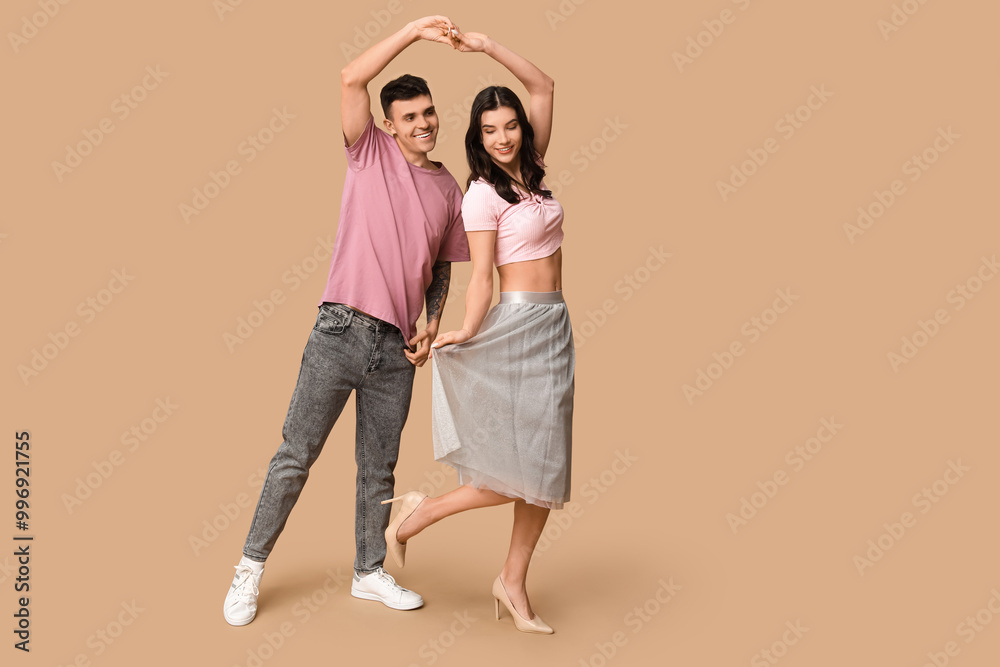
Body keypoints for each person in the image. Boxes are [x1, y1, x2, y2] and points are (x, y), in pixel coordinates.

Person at [223, 15, 472, 626]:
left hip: (397, 349)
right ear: (390, 125)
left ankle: (368, 572)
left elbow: (442, 264)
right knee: (295, 455)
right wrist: (413, 30)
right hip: (340, 330)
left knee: (379, 469)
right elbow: (351, 77)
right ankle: (249, 569)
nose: (423, 123)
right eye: (410, 116)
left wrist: (432, 322)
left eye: (429, 112)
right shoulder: (369, 152)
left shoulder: (450, 188)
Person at [381, 28, 571, 635]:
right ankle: (420, 513)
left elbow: (543, 85)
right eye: (490, 130)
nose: (504, 137)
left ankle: (511, 582)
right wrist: (464, 329)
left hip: (555, 325)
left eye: (510, 125)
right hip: (515, 327)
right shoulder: (482, 195)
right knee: (528, 467)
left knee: (548, 467)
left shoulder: (533, 170)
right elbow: (482, 275)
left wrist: (487, 46)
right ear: (478, 138)